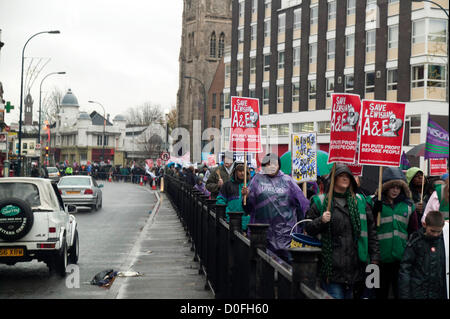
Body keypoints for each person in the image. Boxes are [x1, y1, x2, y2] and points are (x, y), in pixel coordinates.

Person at [305, 163, 379, 299]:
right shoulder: (321, 202)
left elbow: (371, 231)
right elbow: (308, 229)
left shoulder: (360, 202)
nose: (345, 178)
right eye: (341, 176)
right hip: (331, 269)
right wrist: (320, 220)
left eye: (347, 176)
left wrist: (374, 258)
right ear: (333, 179)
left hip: (355, 268)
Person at [241, 153, 310, 262]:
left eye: (274, 163)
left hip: (285, 235)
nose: (271, 166)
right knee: (263, 267)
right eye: (268, 164)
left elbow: (301, 205)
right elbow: (247, 208)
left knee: (285, 269)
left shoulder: (288, 181)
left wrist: (304, 226)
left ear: (279, 165)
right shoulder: (256, 180)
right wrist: (245, 197)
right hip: (262, 235)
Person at [372, 167, 418, 299]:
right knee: (377, 292)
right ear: (385, 188)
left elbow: (413, 231)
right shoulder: (375, 203)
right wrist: (375, 213)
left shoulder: (409, 206)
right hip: (378, 260)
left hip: (401, 259)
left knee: (400, 293)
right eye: (392, 187)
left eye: (398, 187)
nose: (395, 190)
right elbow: (370, 229)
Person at [398, 210, 448, 299]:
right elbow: (405, 269)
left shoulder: (445, 242)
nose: (436, 234)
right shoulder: (415, 241)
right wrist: (404, 295)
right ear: (425, 225)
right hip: (418, 292)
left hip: (438, 292)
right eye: (432, 231)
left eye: (438, 231)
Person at [216, 162, 250, 232]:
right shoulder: (227, 185)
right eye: (240, 171)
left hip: (247, 222)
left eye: (244, 171)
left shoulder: (251, 185)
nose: (242, 173)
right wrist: (226, 213)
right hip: (231, 220)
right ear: (235, 172)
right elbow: (220, 200)